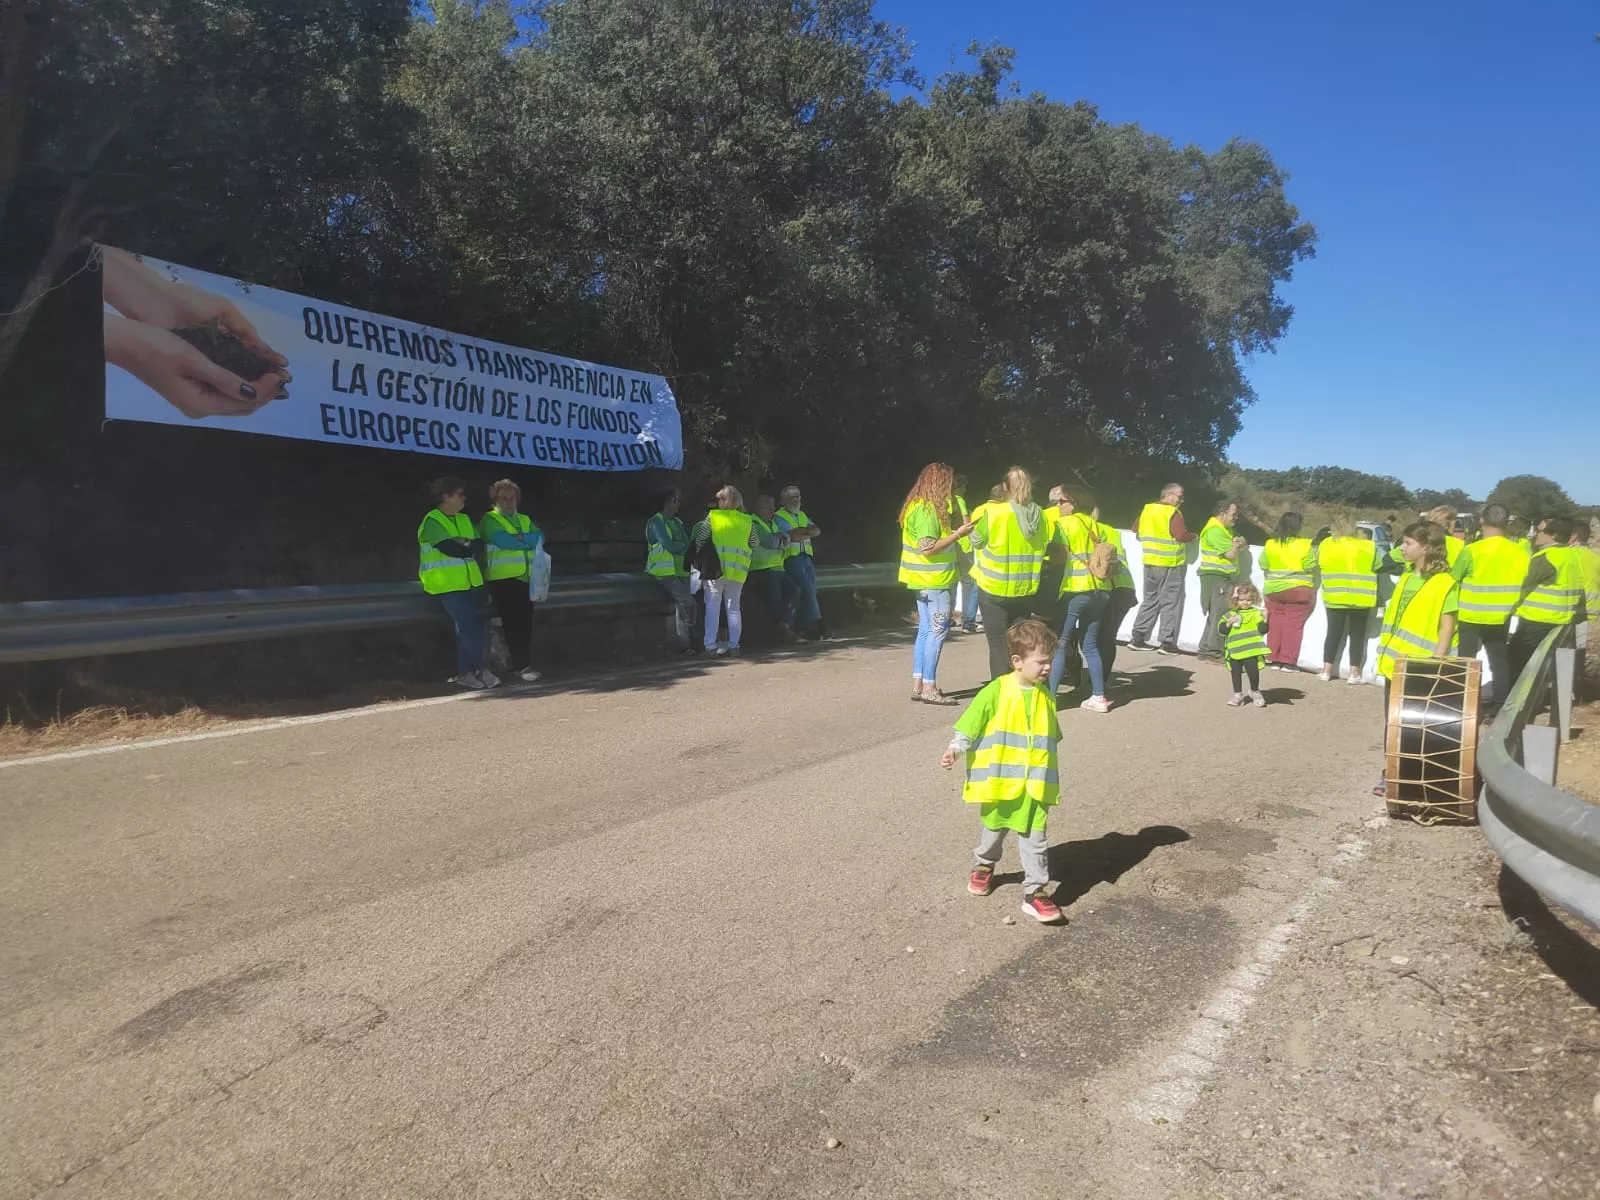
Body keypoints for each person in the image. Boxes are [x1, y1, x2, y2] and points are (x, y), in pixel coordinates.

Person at [940, 618, 1066, 925]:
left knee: (1036, 838)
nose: (1048, 667)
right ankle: (984, 864)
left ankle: (1035, 892)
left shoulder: (1045, 696)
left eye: (1050, 660)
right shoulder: (996, 690)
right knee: (994, 830)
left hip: (1035, 784)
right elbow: (971, 723)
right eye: (1041, 661)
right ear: (1017, 661)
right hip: (1001, 782)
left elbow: (1050, 737)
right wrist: (956, 747)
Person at [1374, 522, 1460, 791]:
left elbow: (1446, 628)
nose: (1402, 548)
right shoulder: (1407, 577)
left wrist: (1437, 663)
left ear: (1426, 547)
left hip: (1422, 667)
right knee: (1394, 723)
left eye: (1408, 543)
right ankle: (1391, 772)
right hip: (1396, 664)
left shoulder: (1445, 583)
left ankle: (1414, 776)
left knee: (1417, 725)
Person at [899, 463, 974, 705]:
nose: (951, 487)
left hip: (923, 580)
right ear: (939, 484)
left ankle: (919, 684)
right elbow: (928, 548)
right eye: (948, 483)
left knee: (925, 630)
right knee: (937, 631)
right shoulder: (927, 511)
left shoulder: (918, 506)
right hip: (935, 581)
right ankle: (929, 688)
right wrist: (958, 534)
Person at [968, 466, 1050, 679]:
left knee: (998, 645)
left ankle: (1002, 693)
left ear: (1005, 487)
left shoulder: (993, 512)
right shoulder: (1040, 515)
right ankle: (1023, 688)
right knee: (1020, 646)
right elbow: (1044, 543)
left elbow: (976, 541)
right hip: (1025, 589)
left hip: (993, 588)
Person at [418, 476, 496, 690]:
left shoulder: (464, 519)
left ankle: (466, 674)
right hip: (447, 584)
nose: (464, 498)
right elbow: (451, 549)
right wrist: (465, 545)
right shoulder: (432, 521)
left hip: (470, 582)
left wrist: (465, 543)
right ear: (446, 497)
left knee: (468, 627)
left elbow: (478, 545)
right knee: (468, 625)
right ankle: (482, 669)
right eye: (459, 494)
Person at [1450, 503, 1529, 712]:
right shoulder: (1520, 552)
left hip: (1470, 615)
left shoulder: (1472, 550)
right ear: (1506, 523)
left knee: (1466, 661)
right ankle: (1501, 705)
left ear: (1482, 520)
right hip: (1501, 616)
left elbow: (1454, 577)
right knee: (1499, 661)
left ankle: (1465, 704)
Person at [1045, 488, 1111, 712]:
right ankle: (1099, 697)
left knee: (1060, 643)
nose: (1058, 506)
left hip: (1075, 589)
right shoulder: (1096, 525)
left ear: (1072, 503)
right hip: (1100, 590)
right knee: (1090, 645)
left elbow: (1058, 557)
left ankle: (1050, 698)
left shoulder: (1064, 524)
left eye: (1061, 501)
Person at [479, 479, 544, 683]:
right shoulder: (490, 519)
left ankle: (522, 664)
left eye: (512, 498)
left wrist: (520, 539)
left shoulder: (524, 519)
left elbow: (540, 538)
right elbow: (503, 541)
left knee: (525, 623)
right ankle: (521, 665)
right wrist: (526, 539)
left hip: (526, 578)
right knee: (513, 623)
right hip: (503, 579)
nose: (508, 502)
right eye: (503, 498)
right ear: (495, 500)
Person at [1506, 516, 1585, 684]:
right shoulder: (1571, 556)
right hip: (1560, 620)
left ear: (1553, 534)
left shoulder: (1546, 557)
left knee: (1515, 664)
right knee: (1540, 667)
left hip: (1537, 621)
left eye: (1540, 531)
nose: (1535, 534)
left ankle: (1509, 699)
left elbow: (1521, 583)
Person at [689, 487, 759, 657]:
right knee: (734, 608)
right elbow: (755, 543)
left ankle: (710, 647)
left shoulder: (713, 517)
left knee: (712, 607)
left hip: (714, 570)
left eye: (719, 499)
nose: (717, 502)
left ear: (724, 501)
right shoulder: (747, 520)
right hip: (738, 571)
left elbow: (700, 540)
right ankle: (734, 646)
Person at [1129, 482, 1197, 653]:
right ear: (1168, 495)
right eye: (1180, 496)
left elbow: (1135, 528)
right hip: (1170, 563)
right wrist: (1194, 537)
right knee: (1171, 603)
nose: (1182, 500)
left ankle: (1138, 637)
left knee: (1150, 599)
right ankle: (1167, 642)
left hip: (1149, 562)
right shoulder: (1172, 513)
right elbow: (1181, 535)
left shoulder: (1147, 509)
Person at [1317, 514, 1380, 683]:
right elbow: (1378, 565)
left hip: (1335, 595)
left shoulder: (1327, 544)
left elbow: (1320, 563)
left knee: (1333, 634)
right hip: (1362, 597)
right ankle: (1354, 674)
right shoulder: (1368, 545)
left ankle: (1326, 671)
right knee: (1358, 636)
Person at [1260, 512, 1315, 671]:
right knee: (1293, 625)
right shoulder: (1305, 545)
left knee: (1275, 623)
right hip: (1298, 590)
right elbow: (1310, 566)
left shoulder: (1271, 544)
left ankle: (1273, 658)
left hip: (1273, 590)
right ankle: (1288, 661)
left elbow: (1263, 564)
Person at [646, 488, 698, 654]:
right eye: (675, 501)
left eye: (679, 501)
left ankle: (685, 645)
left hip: (682, 570)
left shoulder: (677, 522)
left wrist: (681, 547)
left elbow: (687, 543)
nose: (678, 504)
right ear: (666, 502)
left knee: (683, 607)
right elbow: (667, 544)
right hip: (665, 571)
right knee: (688, 603)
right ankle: (690, 641)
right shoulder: (656, 522)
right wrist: (681, 547)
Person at [1196, 500, 1247, 663]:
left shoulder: (1226, 529)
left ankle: (1206, 650)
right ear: (1222, 514)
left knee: (1215, 614)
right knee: (1221, 615)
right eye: (1234, 514)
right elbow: (1231, 554)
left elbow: (1244, 542)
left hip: (1221, 577)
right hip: (1216, 577)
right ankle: (1214, 652)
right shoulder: (1215, 531)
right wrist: (1236, 546)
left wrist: (1238, 544)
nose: (1236, 517)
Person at [1092, 508, 1139, 682]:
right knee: (1108, 636)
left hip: (1112, 587)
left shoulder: (1092, 530)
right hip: (1125, 587)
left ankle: (1099, 680)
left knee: (1101, 637)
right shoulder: (1111, 530)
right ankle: (1102, 678)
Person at [775, 485, 825, 640]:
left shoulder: (801, 514)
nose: (796, 500)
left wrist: (803, 532)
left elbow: (817, 530)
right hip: (792, 558)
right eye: (791, 497)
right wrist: (807, 532)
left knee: (811, 590)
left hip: (806, 557)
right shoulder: (780, 516)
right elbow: (793, 536)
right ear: (783, 501)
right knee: (807, 588)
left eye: (798, 496)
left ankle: (805, 626)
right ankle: (816, 625)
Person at [748, 495, 797, 642]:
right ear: (759, 509)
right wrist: (782, 539)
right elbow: (770, 542)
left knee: (794, 591)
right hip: (762, 568)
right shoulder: (753, 523)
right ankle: (781, 632)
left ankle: (784, 625)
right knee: (775, 600)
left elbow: (783, 540)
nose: (771, 511)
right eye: (768, 508)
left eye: (772, 507)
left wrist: (782, 538)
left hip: (778, 567)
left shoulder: (773, 524)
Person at [1221, 582, 1270, 708]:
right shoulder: (1229, 615)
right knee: (1235, 674)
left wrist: (1265, 619)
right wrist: (1228, 623)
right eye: (1242, 600)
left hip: (1251, 650)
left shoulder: (1256, 613)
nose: (1245, 602)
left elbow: (1263, 630)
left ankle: (1254, 691)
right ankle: (1237, 694)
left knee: (1253, 672)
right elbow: (1221, 631)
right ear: (1235, 599)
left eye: (1249, 600)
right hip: (1234, 651)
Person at [952, 474, 982, 634]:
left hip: (950, 546)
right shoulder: (959, 500)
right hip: (964, 546)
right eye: (964, 487)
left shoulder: (943, 501)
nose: (965, 490)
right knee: (970, 583)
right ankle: (968, 621)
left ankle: (946, 619)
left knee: (952, 582)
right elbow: (965, 522)